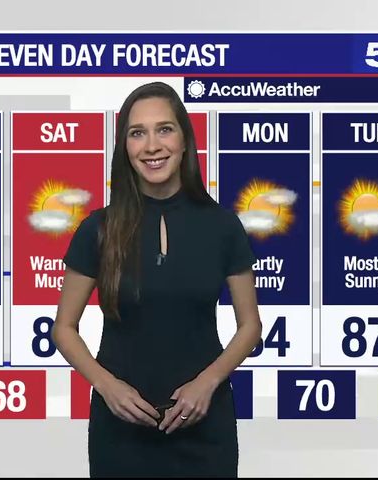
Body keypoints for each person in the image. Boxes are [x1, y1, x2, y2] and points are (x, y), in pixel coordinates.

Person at [53, 81, 262, 477]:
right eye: (138, 133)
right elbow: (64, 328)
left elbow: (250, 325)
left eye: (164, 129)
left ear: (184, 140)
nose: (152, 146)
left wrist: (208, 382)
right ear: (125, 147)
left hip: (205, 430)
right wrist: (107, 386)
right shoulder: (98, 229)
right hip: (121, 435)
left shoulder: (223, 227)